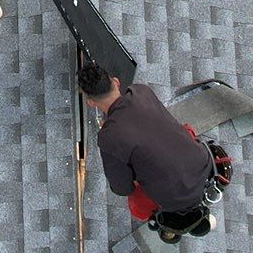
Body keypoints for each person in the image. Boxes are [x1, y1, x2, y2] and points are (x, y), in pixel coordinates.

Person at [80, 63, 232, 242]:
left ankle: (162, 218)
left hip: (173, 197)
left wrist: (136, 176)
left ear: (90, 102)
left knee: (137, 205)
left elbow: (121, 187)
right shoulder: (141, 92)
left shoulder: (109, 136)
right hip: (204, 167)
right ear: (116, 82)